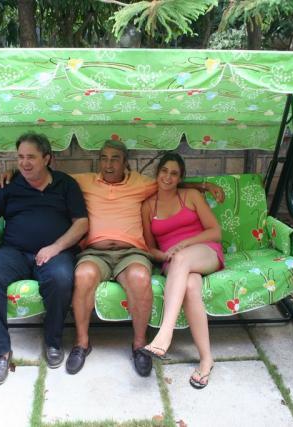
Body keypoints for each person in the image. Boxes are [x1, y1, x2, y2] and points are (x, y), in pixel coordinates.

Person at [64, 141, 224, 377]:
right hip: (100, 253)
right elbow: (49, 176)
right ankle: (81, 344)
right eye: (104, 158)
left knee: (145, 275)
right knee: (83, 274)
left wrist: (204, 185)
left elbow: (171, 186)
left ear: (125, 162)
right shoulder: (87, 182)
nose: (108, 164)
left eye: (115, 159)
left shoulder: (145, 185)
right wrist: (14, 172)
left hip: (149, 252)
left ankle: (147, 341)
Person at [0, 132, 88, 385]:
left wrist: (55, 247)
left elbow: (81, 223)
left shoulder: (66, 184)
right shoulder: (10, 186)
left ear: (47, 158)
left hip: (55, 253)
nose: (24, 163)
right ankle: (0, 352)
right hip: (15, 252)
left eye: (31, 157)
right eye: (20, 157)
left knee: (61, 277)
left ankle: (53, 342)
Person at [138, 152, 223, 389]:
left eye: (174, 173)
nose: (168, 177)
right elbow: (150, 248)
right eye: (164, 171)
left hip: (204, 251)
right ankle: (206, 360)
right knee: (191, 286)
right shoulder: (148, 206)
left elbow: (215, 232)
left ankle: (165, 333)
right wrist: (163, 255)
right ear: (157, 173)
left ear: (180, 178)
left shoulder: (191, 196)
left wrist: (183, 245)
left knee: (182, 258)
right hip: (173, 262)